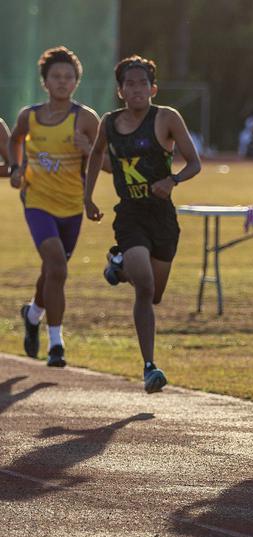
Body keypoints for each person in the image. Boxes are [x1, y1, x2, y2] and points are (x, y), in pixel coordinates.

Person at [83, 55, 202, 393]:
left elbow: (195, 163)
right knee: (146, 287)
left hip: (162, 217)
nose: (136, 89)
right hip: (130, 215)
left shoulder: (166, 118)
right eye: (128, 84)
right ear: (120, 90)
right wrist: (88, 197)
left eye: (141, 83)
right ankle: (150, 366)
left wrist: (173, 181)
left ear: (153, 88)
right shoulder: (109, 123)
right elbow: (95, 157)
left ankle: (118, 268)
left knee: (155, 295)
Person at [7, 46, 102, 367]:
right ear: (45, 82)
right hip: (37, 202)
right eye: (56, 77)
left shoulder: (86, 118)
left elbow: (105, 160)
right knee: (58, 268)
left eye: (68, 77)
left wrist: (87, 148)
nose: (62, 82)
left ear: (76, 81)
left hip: (72, 205)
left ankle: (32, 314)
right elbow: (15, 138)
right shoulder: (29, 116)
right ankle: (57, 345)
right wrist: (17, 168)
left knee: (52, 271)